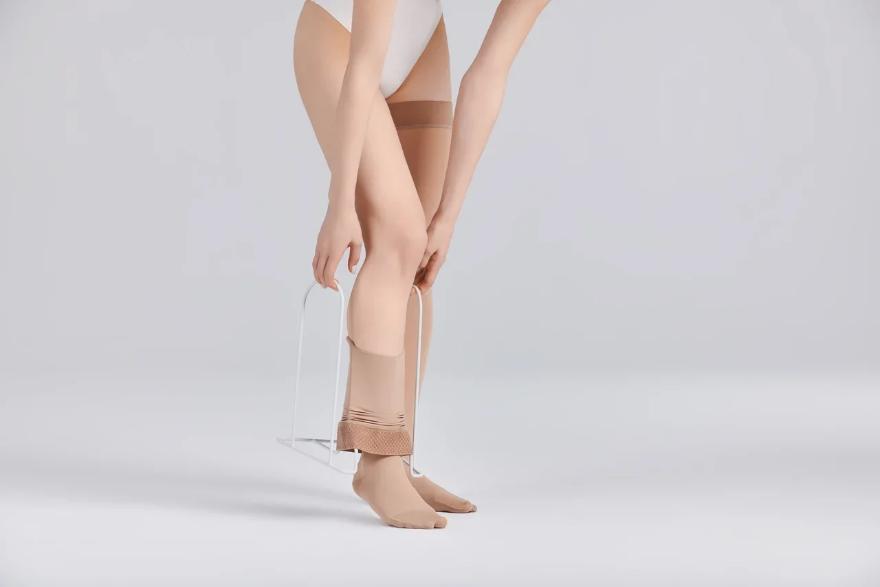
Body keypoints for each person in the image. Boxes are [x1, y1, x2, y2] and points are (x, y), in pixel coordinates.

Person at [293, 0, 549, 529]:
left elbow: (489, 74)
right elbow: (364, 64)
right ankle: (377, 461)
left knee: (420, 254)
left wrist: (448, 217)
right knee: (399, 235)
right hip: (340, 39)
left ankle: (400, 457)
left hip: (422, 45)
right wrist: (339, 204)